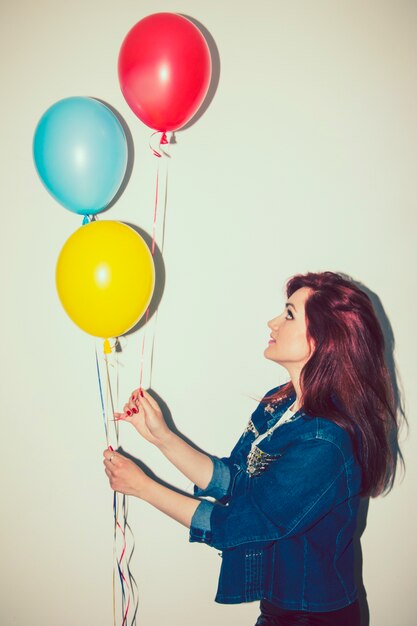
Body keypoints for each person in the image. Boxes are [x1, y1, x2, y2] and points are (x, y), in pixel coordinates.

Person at [103, 271, 399, 626]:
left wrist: (143, 487)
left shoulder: (326, 442)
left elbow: (234, 525)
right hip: (279, 608)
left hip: (314, 617)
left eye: (289, 314)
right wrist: (162, 436)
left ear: (323, 340)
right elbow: (237, 482)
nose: (272, 322)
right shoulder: (282, 403)